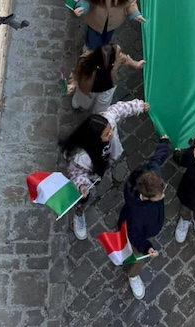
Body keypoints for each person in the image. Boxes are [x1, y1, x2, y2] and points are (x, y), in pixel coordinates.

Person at [61, 99, 150, 240]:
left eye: (111, 130)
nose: (111, 134)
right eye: (107, 135)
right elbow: (75, 173)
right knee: (83, 198)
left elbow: (119, 109)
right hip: (90, 176)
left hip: (101, 165)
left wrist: (137, 106)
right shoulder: (80, 158)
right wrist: (82, 184)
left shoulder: (107, 121)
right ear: (94, 139)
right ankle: (79, 211)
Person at [116, 135, 172, 299]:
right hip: (135, 232)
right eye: (158, 196)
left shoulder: (151, 175)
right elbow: (135, 236)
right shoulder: (137, 214)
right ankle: (133, 275)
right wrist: (147, 247)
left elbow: (157, 159)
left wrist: (163, 142)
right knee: (137, 257)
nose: (163, 196)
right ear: (146, 197)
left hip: (148, 224)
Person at [66, 43, 145, 114]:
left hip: (107, 88)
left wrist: (135, 65)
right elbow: (76, 73)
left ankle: (96, 116)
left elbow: (125, 59)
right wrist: (72, 84)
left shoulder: (116, 53)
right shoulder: (85, 60)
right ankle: (78, 105)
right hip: (87, 88)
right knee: (82, 102)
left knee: (101, 110)